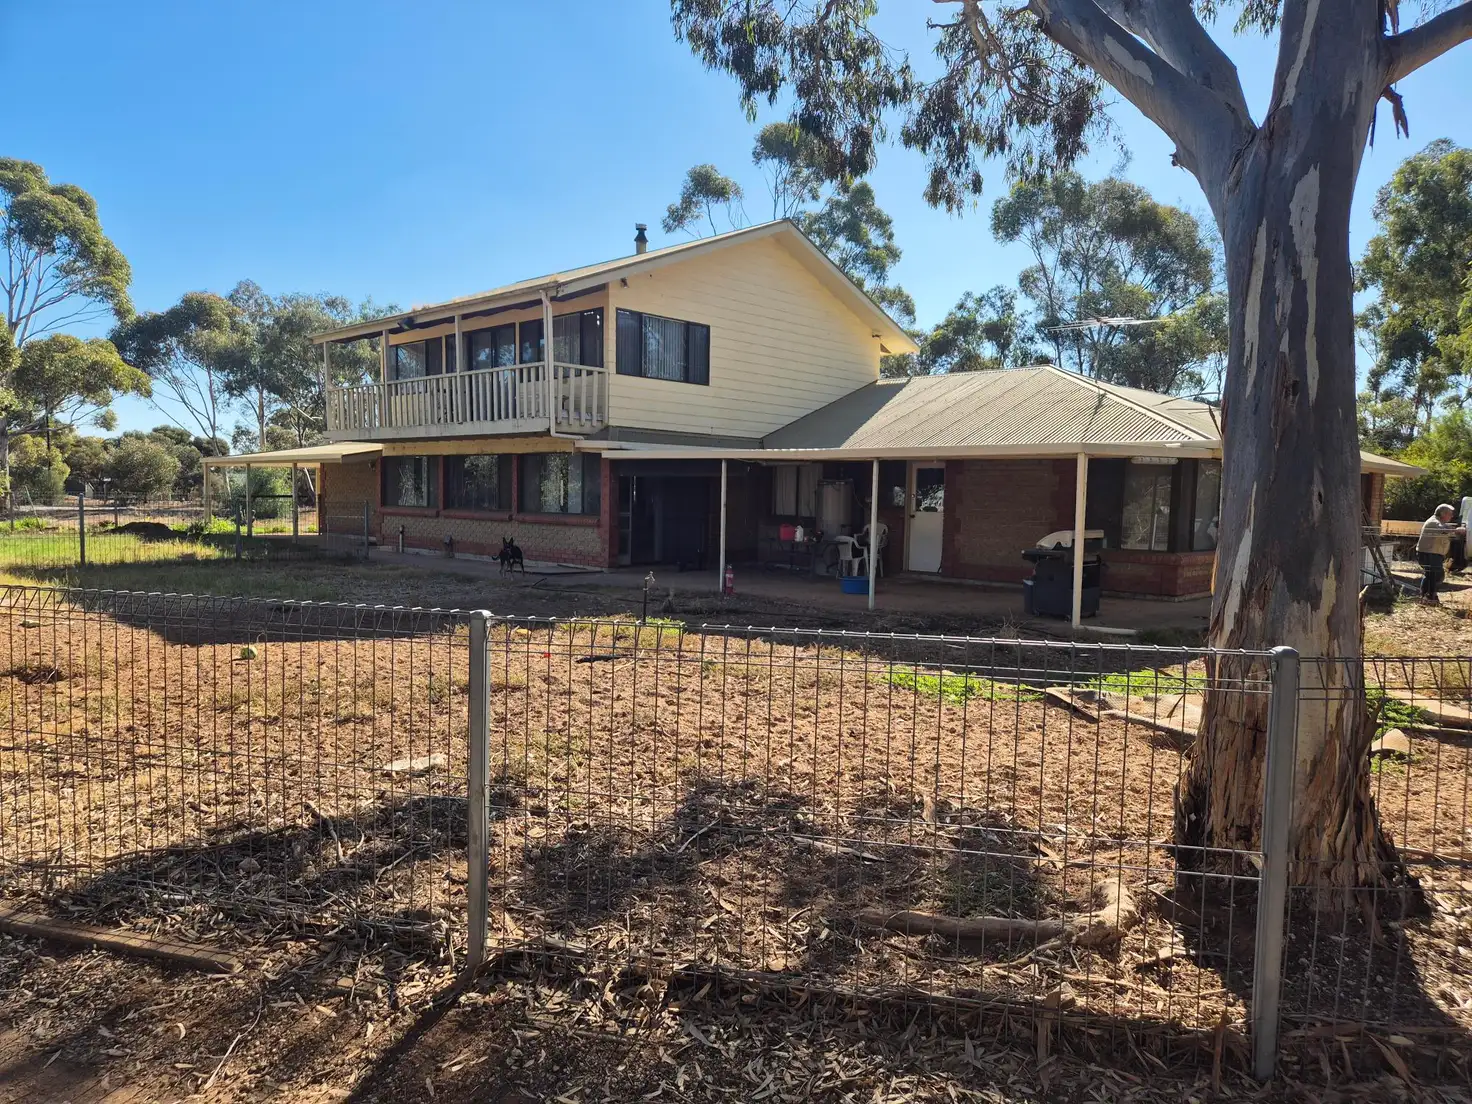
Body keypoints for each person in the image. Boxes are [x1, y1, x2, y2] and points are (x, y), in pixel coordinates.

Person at [1416, 504, 1466, 603]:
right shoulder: (1434, 522)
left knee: (1432, 575)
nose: (1451, 516)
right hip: (1429, 553)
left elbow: (1446, 530)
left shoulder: (1440, 522)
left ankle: (1427, 596)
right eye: (1450, 514)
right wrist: (1457, 530)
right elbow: (1443, 529)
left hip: (1432, 553)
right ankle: (1429, 596)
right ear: (1443, 513)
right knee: (1435, 575)